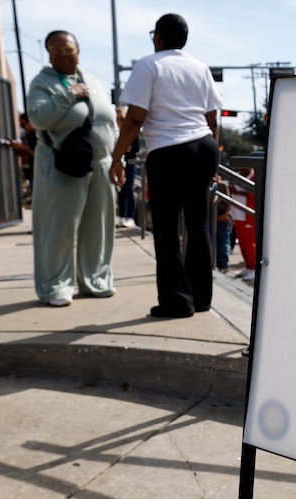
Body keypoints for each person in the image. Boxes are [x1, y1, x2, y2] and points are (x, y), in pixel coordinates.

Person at [110, 13, 222, 318]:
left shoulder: (149, 65)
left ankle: (176, 301)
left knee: (168, 231)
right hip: (203, 146)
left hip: (169, 152)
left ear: (158, 36)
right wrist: (213, 159)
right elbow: (213, 119)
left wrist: (117, 156)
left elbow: (134, 118)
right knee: (198, 226)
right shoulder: (200, 67)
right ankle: (200, 298)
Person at [27, 30, 117, 307]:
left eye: (68, 49)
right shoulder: (42, 83)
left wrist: (118, 158)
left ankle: (95, 280)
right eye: (56, 51)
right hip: (62, 165)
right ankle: (55, 286)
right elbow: (38, 117)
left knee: (98, 228)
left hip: (101, 163)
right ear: (49, 55)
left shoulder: (91, 78)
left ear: (78, 49)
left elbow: (108, 120)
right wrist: (68, 95)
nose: (63, 55)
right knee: (59, 228)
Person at [114, 105, 140, 228]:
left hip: (130, 164)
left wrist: (124, 148)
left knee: (129, 190)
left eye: (122, 119)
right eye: (117, 119)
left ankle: (130, 217)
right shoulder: (115, 132)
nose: (119, 122)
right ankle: (122, 216)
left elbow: (136, 148)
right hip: (120, 164)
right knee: (121, 192)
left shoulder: (132, 132)